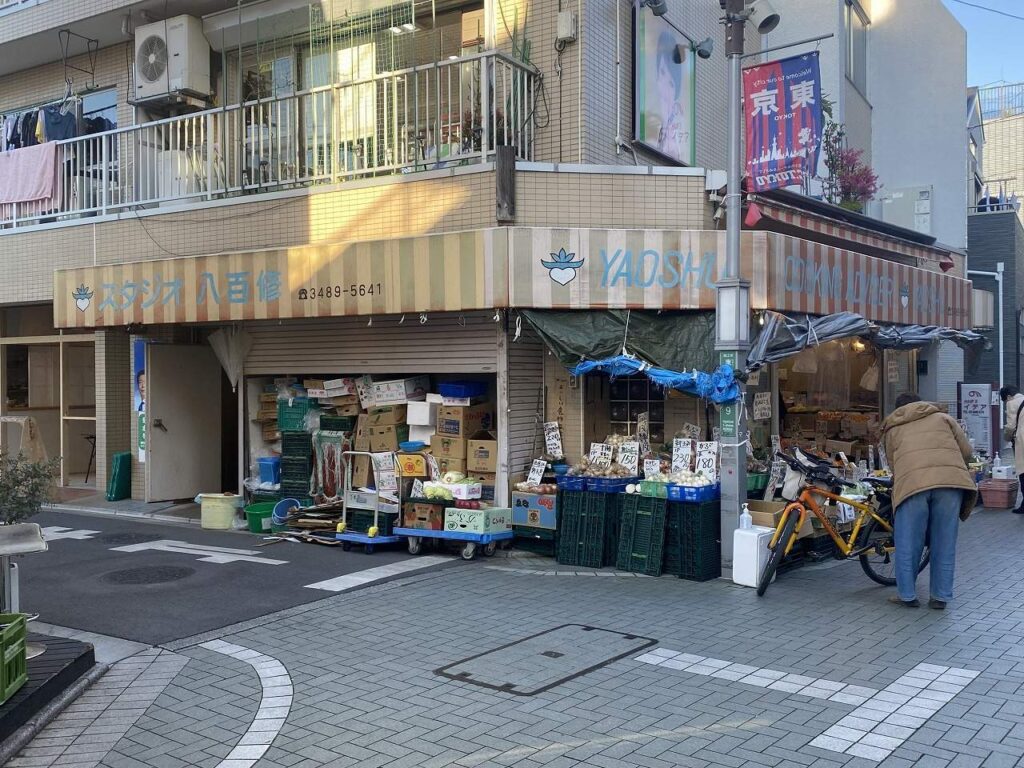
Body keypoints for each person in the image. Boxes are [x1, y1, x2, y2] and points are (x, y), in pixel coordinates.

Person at [880, 393, 977, 610]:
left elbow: (893, 463)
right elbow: (967, 451)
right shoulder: (944, 418)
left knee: (908, 542)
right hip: (949, 484)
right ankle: (940, 597)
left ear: (899, 409)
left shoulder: (893, 427)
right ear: (921, 403)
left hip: (912, 485)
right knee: (945, 541)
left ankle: (907, 595)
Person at [652, 31, 689, 162]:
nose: (664, 86)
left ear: (676, 91)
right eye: (662, 72)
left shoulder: (679, 120)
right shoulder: (650, 115)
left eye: (671, 83)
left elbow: (681, 156)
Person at [999, 385, 1024, 514]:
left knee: (1023, 471)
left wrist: (1007, 438)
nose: (1006, 403)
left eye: (1005, 400)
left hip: (1022, 441)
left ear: (1008, 396)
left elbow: (1010, 427)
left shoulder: (1012, 403)